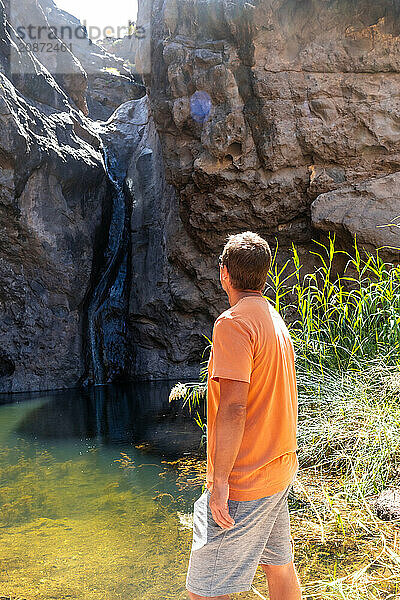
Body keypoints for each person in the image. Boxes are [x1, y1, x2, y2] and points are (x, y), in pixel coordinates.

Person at [185, 231, 302, 600]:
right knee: (279, 568)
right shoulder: (274, 320)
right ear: (265, 276)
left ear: (224, 275)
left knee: (203, 591)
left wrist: (219, 483)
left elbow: (234, 407)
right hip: (278, 469)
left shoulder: (232, 323)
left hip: (246, 479)